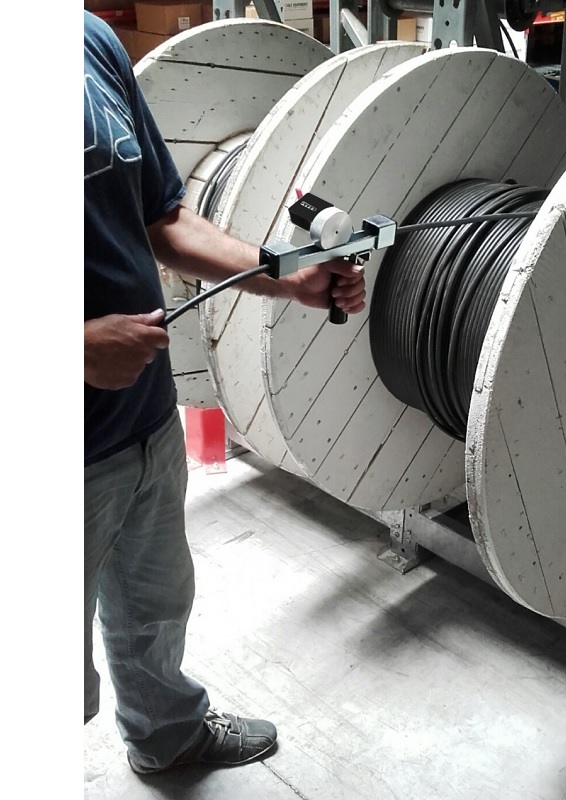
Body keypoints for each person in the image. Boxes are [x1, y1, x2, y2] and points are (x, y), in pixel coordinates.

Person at [84, 9, 366, 775]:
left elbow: (165, 219)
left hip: (142, 420)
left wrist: (288, 279)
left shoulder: (87, 42)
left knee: (154, 606)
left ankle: (167, 734)